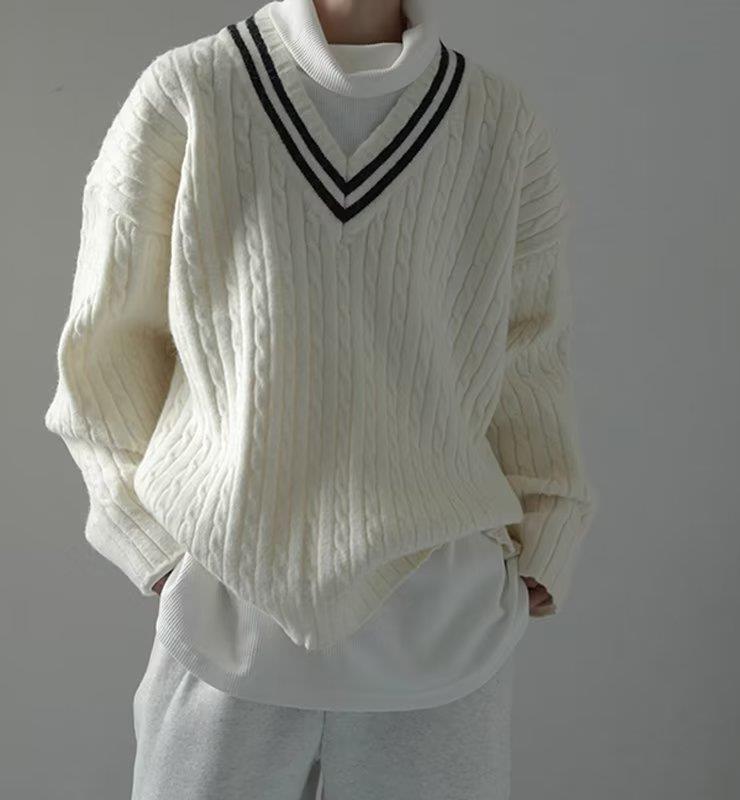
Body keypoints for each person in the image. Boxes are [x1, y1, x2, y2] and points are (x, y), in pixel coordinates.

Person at [43, 0, 596, 797]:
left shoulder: (498, 123)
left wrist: (545, 527)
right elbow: (105, 345)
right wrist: (155, 548)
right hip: (225, 604)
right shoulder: (192, 91)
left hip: (443, 609)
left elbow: (529, 348)